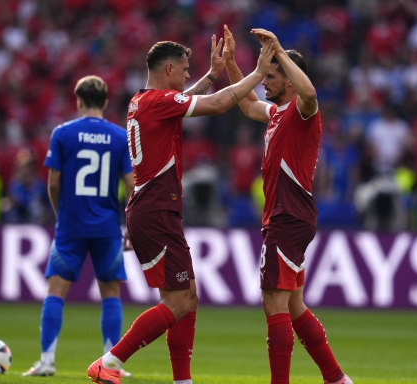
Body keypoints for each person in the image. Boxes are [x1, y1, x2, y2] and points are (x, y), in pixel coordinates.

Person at [87, 35, 276, 384]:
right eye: (186, 70)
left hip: (156, 209)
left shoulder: (143, 101)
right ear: (169, 68)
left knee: (188, 295)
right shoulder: (157, 102)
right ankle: (109, 362)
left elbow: (188, 97)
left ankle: (182, 380)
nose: (189, 76)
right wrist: (257, 73)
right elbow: (217, 104)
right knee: (177, 302)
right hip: (156, 210)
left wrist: (213, 72)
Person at [223, 26, 353, 384]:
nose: (265, 80)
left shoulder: (302, 111)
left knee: (273, 303)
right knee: (294, 306)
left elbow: (310, 92)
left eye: (273, 75)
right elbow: (247, 104)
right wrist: (232, 63)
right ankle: (336, 378)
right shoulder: (277, 113)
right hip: (289, 217)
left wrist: (279, 51)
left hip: (288, 216)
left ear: (291, 81)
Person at [23, 76, 134, 377]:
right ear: (106, 102)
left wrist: (61, 214)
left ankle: (46, 361)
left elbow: (54, 183)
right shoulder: (118, 136)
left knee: (55, 292)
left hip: (70, 227)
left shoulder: (63, 134)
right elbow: (131, 184)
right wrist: (129, 222)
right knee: (110, 293)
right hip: (107, 227)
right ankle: (113, 365)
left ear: (78, 101)